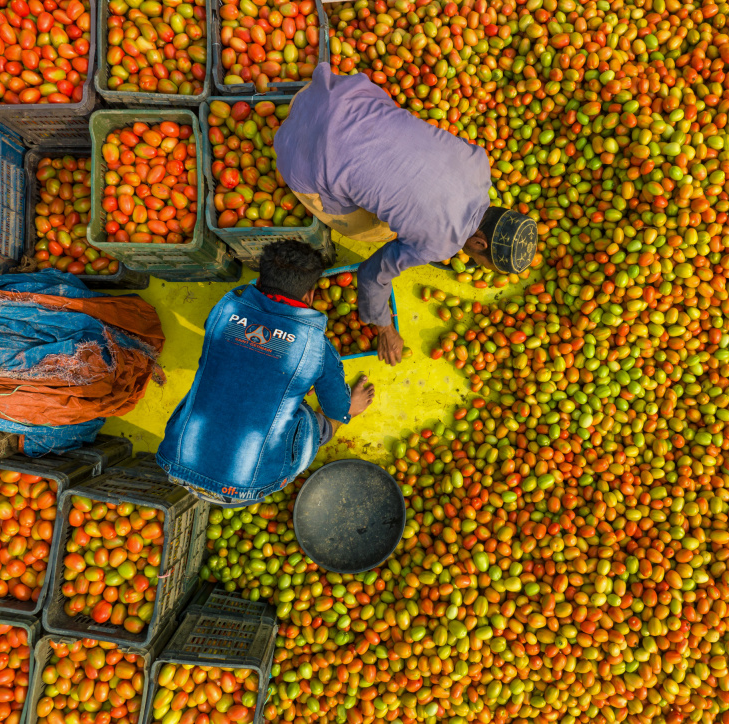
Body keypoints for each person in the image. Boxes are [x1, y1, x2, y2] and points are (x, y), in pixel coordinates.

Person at [274, 62, 539, 366]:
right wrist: (384, 328)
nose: (471, 260)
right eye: (480, 260)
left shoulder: (479, 163)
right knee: (368, 228)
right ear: (479, 243)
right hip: (305, 152)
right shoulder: (439, 244)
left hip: (340, 94)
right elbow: (372, 274)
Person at [156, 240, 375, 508]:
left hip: (175, 461)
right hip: (249, 484)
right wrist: (347, 410)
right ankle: (340, 420)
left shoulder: (225, 309)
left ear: (259, 280)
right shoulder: (317, 346)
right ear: (309, 296)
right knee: (323, 417)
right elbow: (334, 405)